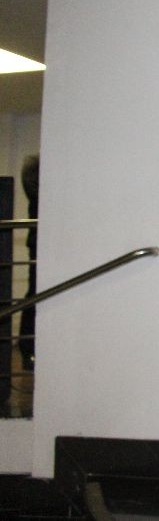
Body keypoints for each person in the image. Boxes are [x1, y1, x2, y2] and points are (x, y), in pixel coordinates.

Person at [18, 154, 39, 371]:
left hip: (37, 245)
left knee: (34, 294)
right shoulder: (41, 198)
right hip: (39, 246)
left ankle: (28, 349)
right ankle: (28, 348)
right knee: (34, 295)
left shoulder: (36, 195)